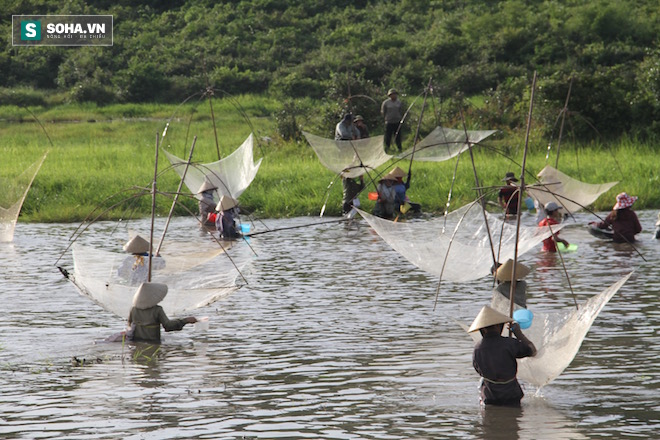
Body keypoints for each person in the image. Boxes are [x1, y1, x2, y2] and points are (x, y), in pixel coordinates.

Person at [468, 305, 537, 406]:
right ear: (498, 326)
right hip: (511, 394)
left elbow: (478, 369)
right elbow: (532, 351)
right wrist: (518, 334)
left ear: (482, 330)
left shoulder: (478, 348)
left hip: (489, 396)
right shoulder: (509, 344)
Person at [127, 282, 197, 343]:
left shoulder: (133, 309)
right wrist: (185, 320)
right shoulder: (157, 310)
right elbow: (168, 326)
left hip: (137, 341)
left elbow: (129, 325)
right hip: (153, 341)